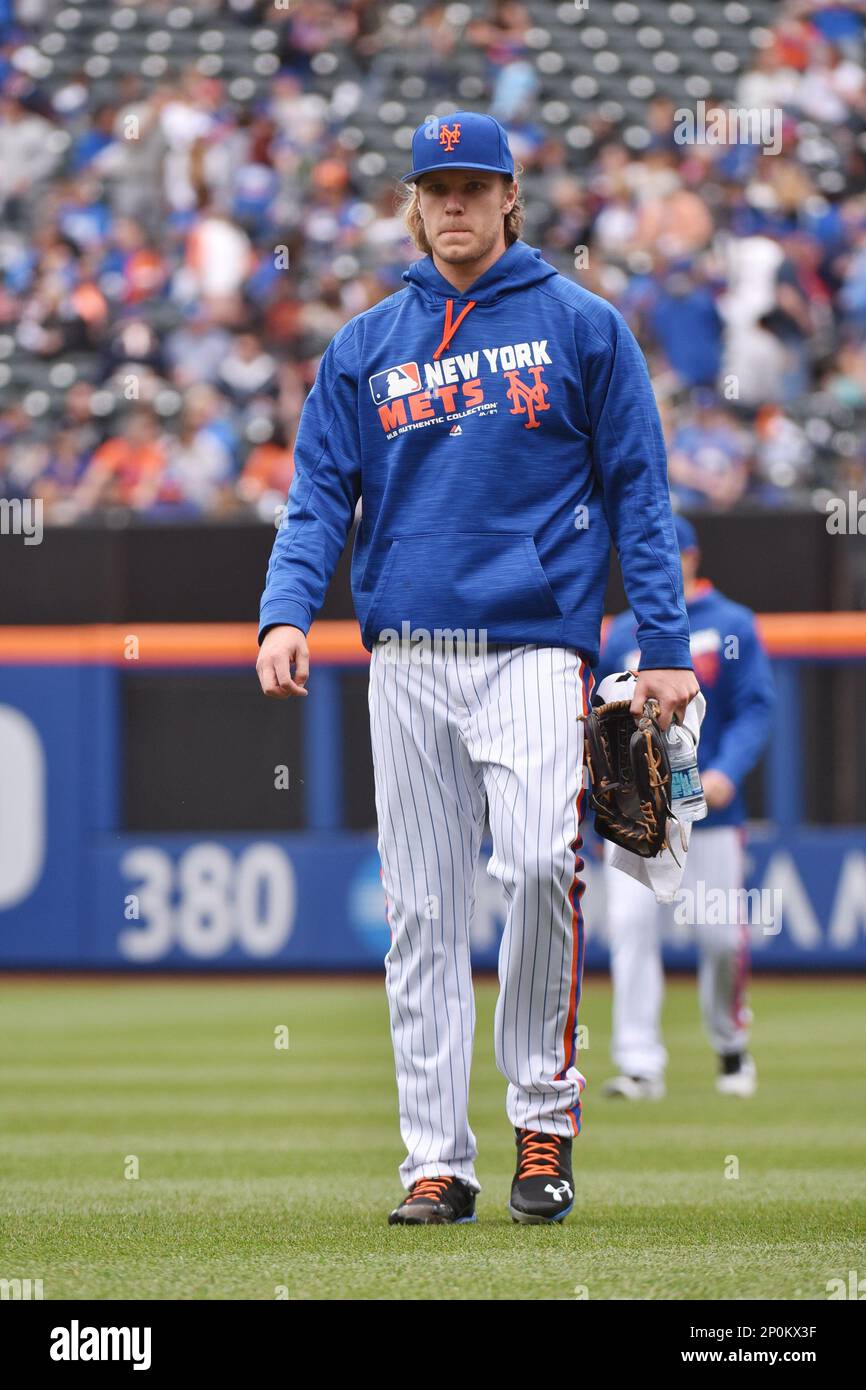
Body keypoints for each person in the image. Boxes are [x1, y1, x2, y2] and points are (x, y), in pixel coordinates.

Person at [256, 112, 699, 1225]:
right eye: (434, 186)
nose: (453, 203)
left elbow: (639, 492)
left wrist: (663, 647)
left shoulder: (580, 324)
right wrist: (282, 612)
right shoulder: (363, 343)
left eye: (473, 185)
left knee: (546, 864)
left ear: (510, 198)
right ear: (415, 202)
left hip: (534, 647)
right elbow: (316, 497)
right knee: (420, 912)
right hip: (405, 653)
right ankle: (433, 1160)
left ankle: (541, 1124)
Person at [598, 515, 775, 1101]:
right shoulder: (622, 632)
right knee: (630, 929)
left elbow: (755, 708)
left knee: (721, 939)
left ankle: (729, 1043)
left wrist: (726, 770)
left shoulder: (732, 624)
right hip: (636, 814)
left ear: (692, 557)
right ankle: (639, 1064)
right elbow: (598, 717)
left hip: (710, 813)